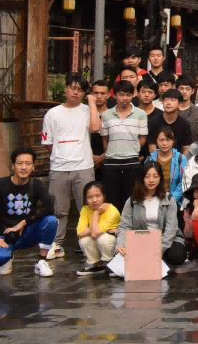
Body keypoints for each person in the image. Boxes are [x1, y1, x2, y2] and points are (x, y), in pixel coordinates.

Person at [42, 75, 101, 259]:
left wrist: (92, 103)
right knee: (59, 209)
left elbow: (95, 128)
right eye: (72, 88)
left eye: (80, 90)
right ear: (66, 89)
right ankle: (56, 244)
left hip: (83, 166)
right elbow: (48, 144)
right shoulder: (52, 114)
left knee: (87, 207)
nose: (75, 92)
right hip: (59, 167)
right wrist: (61, 155)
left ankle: (88, 244)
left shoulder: (88, 111)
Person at [0, 148, 57, 277]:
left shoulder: (37, 185)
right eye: (19, 163)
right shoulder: (0, 184)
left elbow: (49, 208)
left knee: (51, 221)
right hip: (5, 234)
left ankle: (41, 261)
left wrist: (23, 223)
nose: (24, 167)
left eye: (28, 163)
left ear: (33, 166)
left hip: (27, 232)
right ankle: (5, 255)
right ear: (13, 166)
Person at [115, 162, 186, 270]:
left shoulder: (169, 199)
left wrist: (160, 248)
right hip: (143, 239)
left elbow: (171, 228)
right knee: (119, 259)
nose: (151, 180)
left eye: (155, 176)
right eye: (147, 176)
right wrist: (121, 244)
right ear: (142, 178)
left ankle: (157, 263)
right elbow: (124, 226)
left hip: (164, 239)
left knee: (177, 255)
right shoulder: (132, 200)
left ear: (160, 178)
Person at [100, 80, 146, 210]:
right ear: (114, 95)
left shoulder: (141, 114)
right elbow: (105, 139)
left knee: (131, 199)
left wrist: (133, 150)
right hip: (111, 163)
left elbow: (142, 138)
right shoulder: (106, 115)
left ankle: (129, 223)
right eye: (121, 94)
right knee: (112, 199)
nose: (125, 98)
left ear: (133, 95)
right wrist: (111, 152)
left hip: (132, 162)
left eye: (128, 95)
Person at [74, 181, 120, 276]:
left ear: (104, 196)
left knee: (103, 238)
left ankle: (110, 263)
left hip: (114, 245)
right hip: (97, 239)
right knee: (84, 240)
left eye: (98, 196)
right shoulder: (85, 209)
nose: (94, 200)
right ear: (86, 199)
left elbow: (95, 234)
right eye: (90, 197)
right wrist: (97, 214)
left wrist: (95, 213)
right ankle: (96, 265)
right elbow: (80, 233)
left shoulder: (112, 210)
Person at [146, 128, 188, 208]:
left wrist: (171, 200)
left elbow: (183, 182)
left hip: (174, 203)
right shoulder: (150, 159)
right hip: (153, 201)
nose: (164, 143)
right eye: (161, 140)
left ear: (173, 141)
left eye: (168, 140)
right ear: (156, 141)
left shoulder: (181, 159)